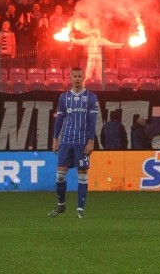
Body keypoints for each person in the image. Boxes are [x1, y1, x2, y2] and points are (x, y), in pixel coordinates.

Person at [48, 67, 99, 219]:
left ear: (84, 77)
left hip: (82, 142)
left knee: (82, 175)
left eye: (79, 76)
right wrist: (55, 139)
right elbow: (59, 119)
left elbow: (93, 121)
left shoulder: (91, 97)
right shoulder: (64, 97)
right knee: (59, 176)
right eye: (74, 76)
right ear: (70, 77)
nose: (77, 78)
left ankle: (80, 209)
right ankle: (61, 205)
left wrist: (91, 141)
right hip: (66, 141)